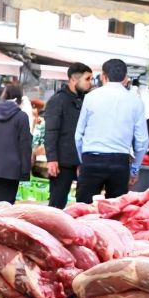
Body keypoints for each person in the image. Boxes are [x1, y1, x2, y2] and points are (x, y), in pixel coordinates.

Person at [74, 58, 149, 203]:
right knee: (115, 213)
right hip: (119, 163)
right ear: (126, 77)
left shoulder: (90, 98)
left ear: (103, 76)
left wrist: (82, 160)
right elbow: (142, 141)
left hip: (92, 159)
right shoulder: (136, 102)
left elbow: (79, 135)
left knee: (84, 211)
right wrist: (135, 169)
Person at [42, 62, 92, 209]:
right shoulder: (57, 100)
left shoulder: (85, 100)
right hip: (62, 162)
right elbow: (51, 131)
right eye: (87, 79)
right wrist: (52, 159)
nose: (90, 83)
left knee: (83, 206)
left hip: (81, 161)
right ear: (74, 80)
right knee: (57, 204)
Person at [0, 84, 32, 204]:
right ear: (19, 98)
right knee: (6, 207)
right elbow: (25, 145)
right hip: (11, 169)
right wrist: (26, 170)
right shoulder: (22, 117)